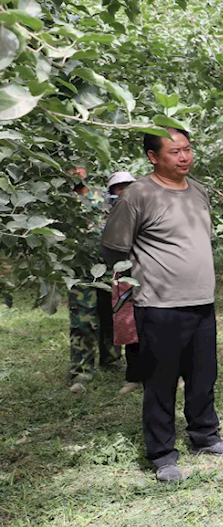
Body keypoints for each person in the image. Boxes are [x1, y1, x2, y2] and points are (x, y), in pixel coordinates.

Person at [101, 128, 223, 483]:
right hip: (159, 305)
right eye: (174, 151)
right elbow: (114, 247)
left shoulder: (198, 190)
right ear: (152, 156)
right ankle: (163, 453)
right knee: (160, 381)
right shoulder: (138, 195)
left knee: (203, 375)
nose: (184, 157)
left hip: (202, 300)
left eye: (188, 150)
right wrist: (139, 279)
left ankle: (205, 436)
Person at [67, 167, 119, 395]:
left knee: (111, 317)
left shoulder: (102, 195)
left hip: (108, 268)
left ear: (85, 170)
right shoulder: (61, 202)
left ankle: (113, 361)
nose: (74, 172)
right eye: (69, 169)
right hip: (79, 272)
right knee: (83, 322)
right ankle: (81, 372)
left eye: (77, 167)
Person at [106, 170, 144, 395]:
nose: (123, 192)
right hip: (123, 279)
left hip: (149, 274)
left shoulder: (146, 211)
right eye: (118, 188)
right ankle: (134, 377)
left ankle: (173, 374)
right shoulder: (107, 218)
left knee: (159, 324)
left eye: (127, 186)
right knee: (128, 326)